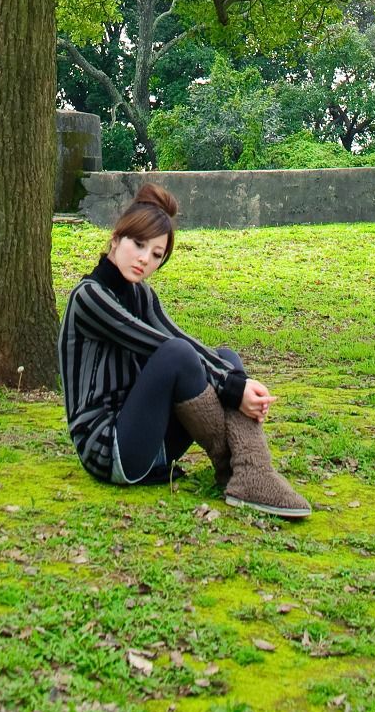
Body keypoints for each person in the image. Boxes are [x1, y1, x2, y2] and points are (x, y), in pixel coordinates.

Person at [57, 182, 310, 518]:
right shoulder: (89, 297)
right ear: (116, 239)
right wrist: (234, 389)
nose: (145, 259)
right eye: (138, 245)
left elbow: (185, 340)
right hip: (111, 449)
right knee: (179, 356)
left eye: (157, 255)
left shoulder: (142, 295)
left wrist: (234, 378)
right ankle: (244, 469)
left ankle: (247, 471)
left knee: (225, 357)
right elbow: (164, 347)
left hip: (152, 441)